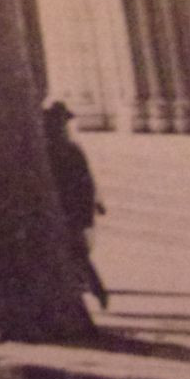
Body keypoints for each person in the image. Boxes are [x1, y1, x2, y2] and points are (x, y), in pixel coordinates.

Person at [45, 101, 108, 309]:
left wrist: (94, 201)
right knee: (75, 251)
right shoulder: (63, 149)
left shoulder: (64, 150)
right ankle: (91, 288)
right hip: (69, 208)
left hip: (68, 209)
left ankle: (96, 289)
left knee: (76, 251)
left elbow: (85, 179)